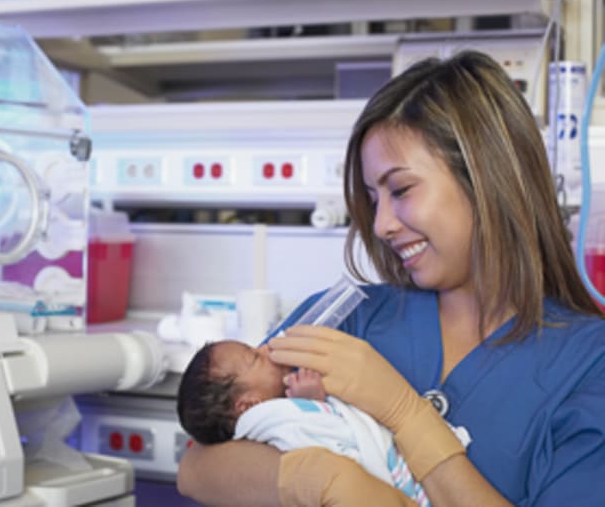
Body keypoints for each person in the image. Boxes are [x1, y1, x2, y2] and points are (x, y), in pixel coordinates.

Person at [177, 49, 605, 506]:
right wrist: (328, 480)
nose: (381, 225)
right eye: (371, 197)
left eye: (400, 190)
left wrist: (405, 414)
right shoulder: (348, 316)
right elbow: (200, 467)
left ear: (486, 177)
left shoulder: (588, 363)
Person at [177, 340, 467, 506]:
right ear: (248, 405)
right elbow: (329, 439)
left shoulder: (274, 397)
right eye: (255, 357)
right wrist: (314, 404)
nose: (266, 347)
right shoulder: (276, 418)